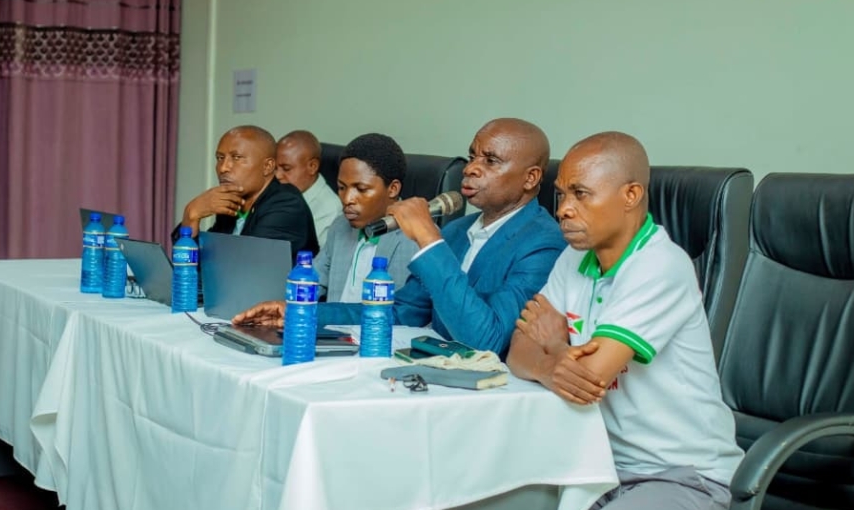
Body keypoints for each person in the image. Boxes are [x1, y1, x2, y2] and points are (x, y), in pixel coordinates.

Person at [506, 132, 742, 510]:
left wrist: (555, 347)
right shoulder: (574, 258)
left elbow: (589, 380)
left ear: (631, 195)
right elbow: (518, 352)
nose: (563, 209)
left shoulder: (659, 265)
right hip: (598, 467)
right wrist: (549, 363)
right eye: (561, 194)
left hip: (686, 478)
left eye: (580, 194)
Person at [234, 118, 565, 356]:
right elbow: (401, 313)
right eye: (472, 156)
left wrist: (428, 239)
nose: (470, 168)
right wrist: (301, 313)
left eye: (490, 161)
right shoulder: (457, 231)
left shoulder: (544, 242)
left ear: (530, 178)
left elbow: (487, 339)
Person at [174, 125, 318, 259]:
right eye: (220, 158)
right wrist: (191, 215)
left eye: (237, 158)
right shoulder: (232, 203)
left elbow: (244, 265)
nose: (223, 168)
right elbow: (188, 264)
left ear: (267, 166)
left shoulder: (286, 204)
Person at [275, 130, 342, 247]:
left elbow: (317, 257)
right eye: (275, 168)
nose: (278, 175)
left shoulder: (330, 210)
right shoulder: (277, 192)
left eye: (286, 168)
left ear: (312, 166)